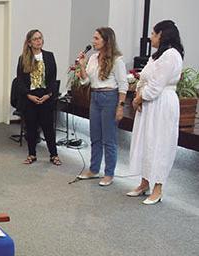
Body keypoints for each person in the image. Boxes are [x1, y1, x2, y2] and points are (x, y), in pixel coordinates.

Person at [128, 20, 184, 205]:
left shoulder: (171, 55)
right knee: (147, 142)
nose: (151, 37)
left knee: (160, 143)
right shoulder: (156, 56)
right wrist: (138, 92)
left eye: (153, 33)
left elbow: (156, 85)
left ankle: (158, 188)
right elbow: (143, 77)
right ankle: (144, 183)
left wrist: (138, 99)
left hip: (162, 104)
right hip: (148, 104)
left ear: (162, 34)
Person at [76, 27, 128, 186]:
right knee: (95, 136)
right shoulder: (93, 58)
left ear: (106, 41)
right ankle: (94, 169)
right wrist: (82, 66)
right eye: (94, 38)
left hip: (110, 98)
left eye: (97, 38)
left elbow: (123, 84)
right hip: (95, 97)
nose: (93, 41)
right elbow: (85, 81)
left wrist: (120, 106)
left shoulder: (117, 60)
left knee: (109, 138)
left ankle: (109, 173)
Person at [16, 29, 60, 165]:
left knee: (48, 128)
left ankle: (54, 155)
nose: (38, 41)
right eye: (35, 39)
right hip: (30, 97)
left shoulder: (49, 56)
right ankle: (32, 154)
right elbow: (20, 81)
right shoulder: (23, 58)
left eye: (40, 38)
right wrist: (28, 95)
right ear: (29, 43)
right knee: (31, 128)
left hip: (45, 95)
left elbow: (53, 79)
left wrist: (49, 94)